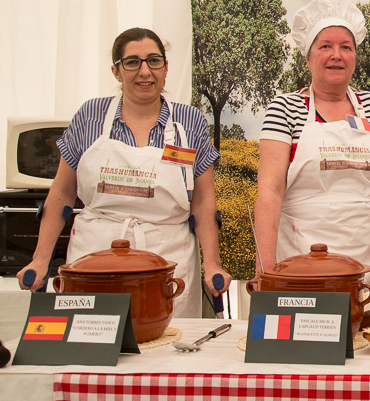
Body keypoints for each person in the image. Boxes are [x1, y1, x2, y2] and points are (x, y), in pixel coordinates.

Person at [17, 28, 230, 317]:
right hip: (95, 256)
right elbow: (63, 193)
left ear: (166, 68)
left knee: (166, 346)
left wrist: (213, 265)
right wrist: (40, 260)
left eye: (154, 61)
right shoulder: (90, 115)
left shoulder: (189, 121)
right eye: (132, 62)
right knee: (93, 343)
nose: (145, 71)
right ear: (117, 72)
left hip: (168, 259)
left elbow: (203, 202)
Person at [254, 0, 370, 287]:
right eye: (325, 47)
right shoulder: (285, 108)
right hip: (303, 253)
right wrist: (265, 271)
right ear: (307, 58)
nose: (337, 55)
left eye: (346, 47)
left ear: (355, 58)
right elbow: (270, 190)